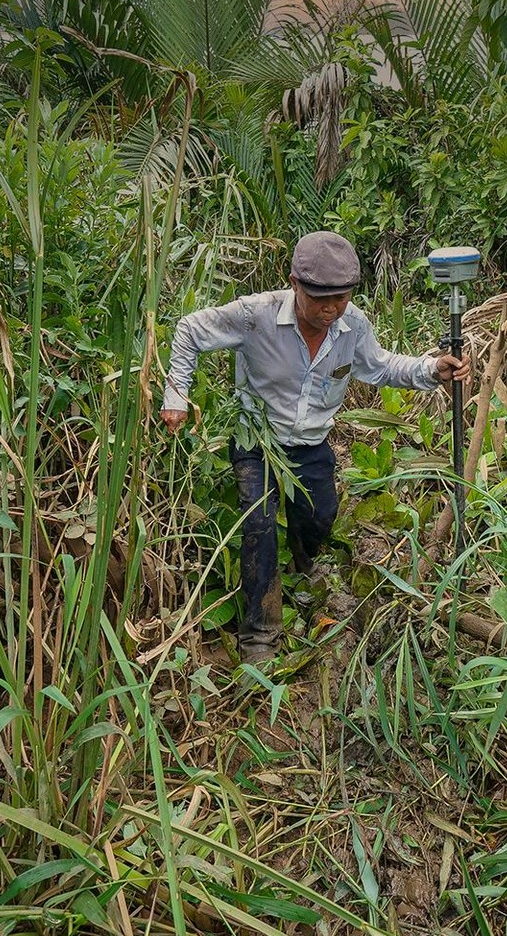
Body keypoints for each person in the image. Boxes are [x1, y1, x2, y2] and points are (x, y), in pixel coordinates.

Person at [160, 231, 472, 664]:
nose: (330, 309)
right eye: (320, 298)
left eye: (341, 298)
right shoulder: (256, 316)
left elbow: (380, 367)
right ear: (294, 283)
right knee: (259, 525)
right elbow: (190, 329)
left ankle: (303, 567)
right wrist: (176, 394)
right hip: (258, 441)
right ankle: (260, 636)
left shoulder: (352, 325)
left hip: (311, 442)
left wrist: (431, 369)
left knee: (320, 516)